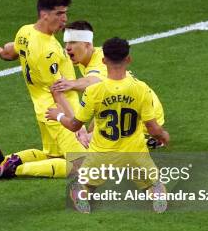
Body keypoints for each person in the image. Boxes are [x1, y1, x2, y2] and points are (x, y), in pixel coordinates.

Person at [0, 0, 87, 181]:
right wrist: (77, 125)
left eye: (65, 13)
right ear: (44, 14)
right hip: (58, 112)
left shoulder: (25, 31)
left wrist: (1, 52)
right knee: (84, 165)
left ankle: (1, 159)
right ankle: (14, 169)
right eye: (59, 14)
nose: (64, 19)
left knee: (53, 157)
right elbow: (57, 91)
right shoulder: (47, 50)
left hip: (42, 109)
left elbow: (11, 51)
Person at [46, 37, 170, 213]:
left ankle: (81, 195)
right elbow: (152, 128)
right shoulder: (141, 89)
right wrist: (163, 136)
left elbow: (74, 125)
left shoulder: (94, 91)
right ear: (128, 59)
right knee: (154, 184)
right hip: (134, 153)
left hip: (102, 154)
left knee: (85, 185)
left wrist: (58, 115)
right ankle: (157, 197)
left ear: (104, 61)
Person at [51, 20, 166, 148]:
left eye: (72, 42)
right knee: (88, 134)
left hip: (142, 114)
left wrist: (71, 84)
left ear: (87, 44)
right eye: (66, 42)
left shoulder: (100, 60)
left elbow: (95, 80)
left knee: (86, 145)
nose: (67, 47)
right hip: (128, 104)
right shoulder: (90, 58)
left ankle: (144, 139)